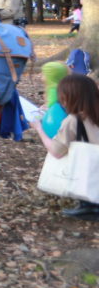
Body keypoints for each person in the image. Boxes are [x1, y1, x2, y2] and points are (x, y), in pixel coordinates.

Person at [31, 74, 99, 219]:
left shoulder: (74, 121)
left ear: (68, 97)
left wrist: (39, 129)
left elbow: (56, 151)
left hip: (90, 178)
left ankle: (89, 206)